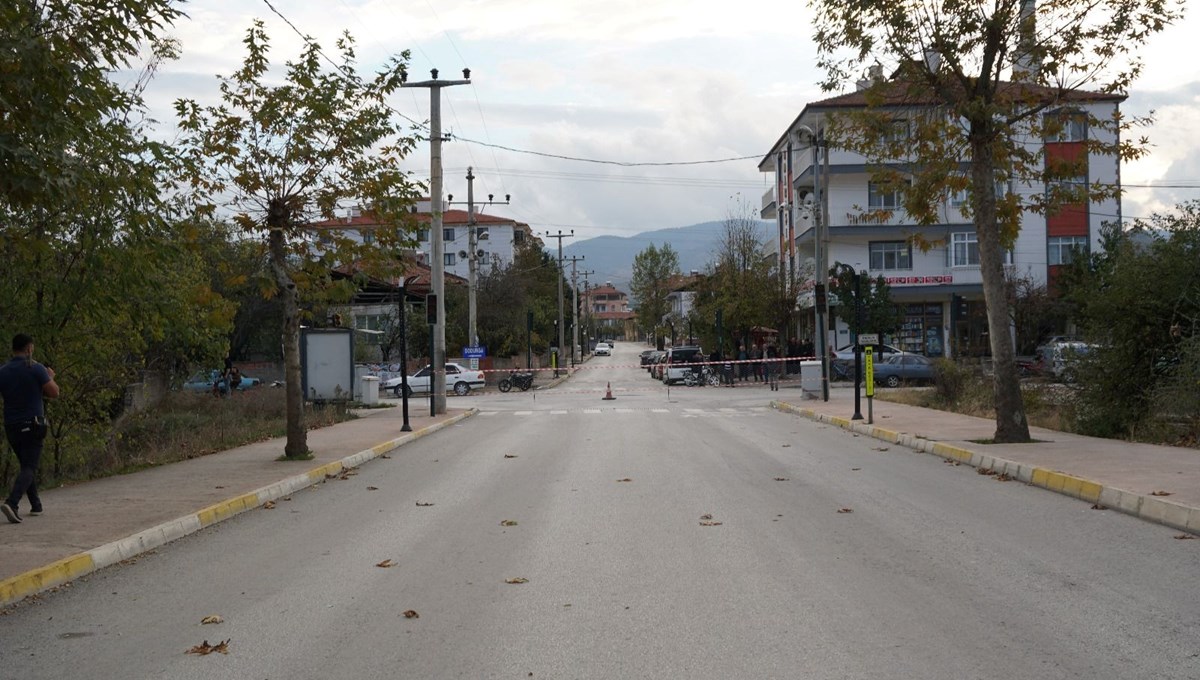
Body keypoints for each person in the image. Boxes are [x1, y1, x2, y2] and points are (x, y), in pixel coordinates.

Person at [1, 334, 60, 524]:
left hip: (11, 426)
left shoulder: (3, 371)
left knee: (26, 464)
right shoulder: (36, 368)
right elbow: (54, 392)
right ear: (29, 348)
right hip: (33, 425)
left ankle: (36, 505)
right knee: (30, 466)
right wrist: (49, 377)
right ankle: (12, 503)